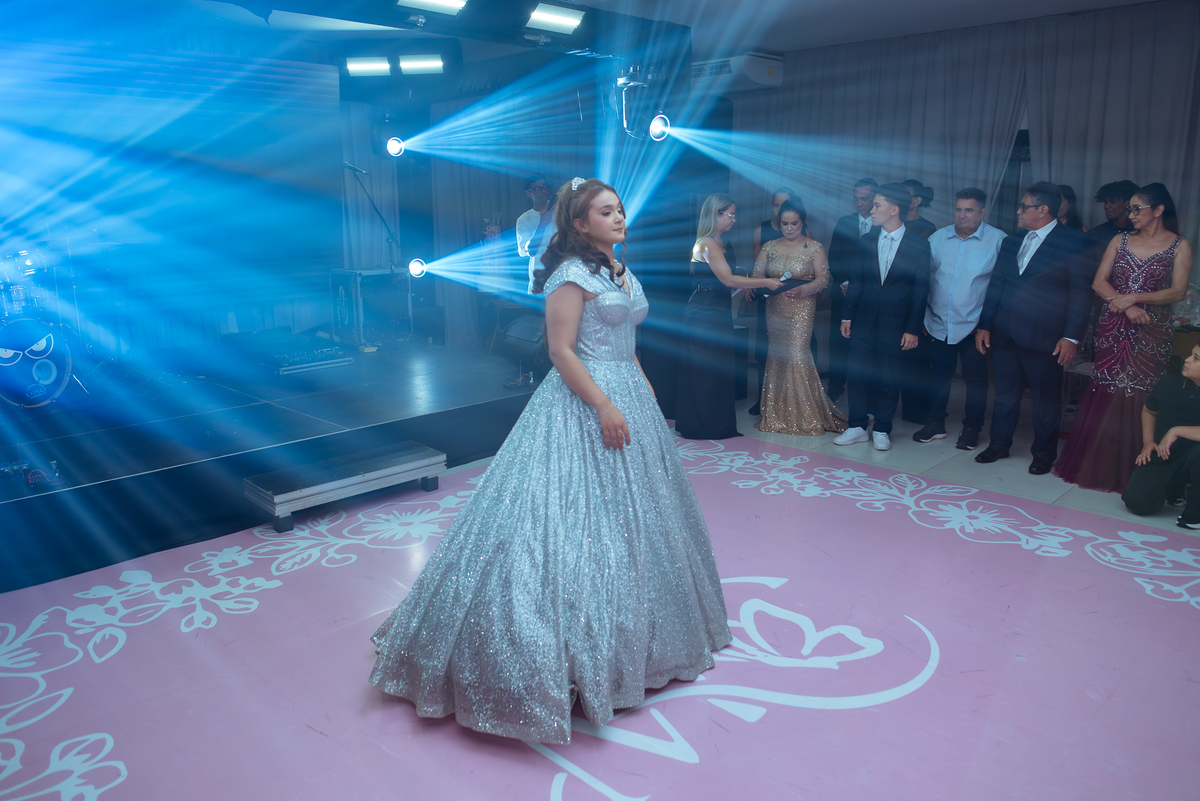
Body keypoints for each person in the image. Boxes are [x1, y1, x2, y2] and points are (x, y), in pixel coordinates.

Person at [369, 178, 733, 745]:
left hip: (627, 394)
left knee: (639, 523)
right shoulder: (569, 275)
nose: (619, 218)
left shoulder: (619, 269)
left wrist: (640, 387)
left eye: (620, 209)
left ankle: (641, 641)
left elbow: (626, 344)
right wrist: (605, 403)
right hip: (582, 402)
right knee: (559, 523)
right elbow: (562, 351)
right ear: (580, 223)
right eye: (605, 212)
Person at [1055, 183, 1193, 492]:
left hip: (1153, 330)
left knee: (1140, 390)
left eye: (1135, 209)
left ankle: (1136, 472)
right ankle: (1092, 466)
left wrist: (1132, 299)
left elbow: (1178, 290)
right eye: (1129, 208)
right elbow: (1099, 282)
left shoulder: (1178, 245)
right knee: (1106, 386)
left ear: (1157, 210)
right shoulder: (1120, 239)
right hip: (1114, 327)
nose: (1130, 215)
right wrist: (1125, 305)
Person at [974, 182, 1091, 474]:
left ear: (1043, 210)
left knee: (1045, 400)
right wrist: (984, 324)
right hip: (1005, 331)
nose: (1018, 211)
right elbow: (996, 285)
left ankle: (1043, 453)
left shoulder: (1074, 241)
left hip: (1045, 335)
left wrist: (1071, 336)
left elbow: (1080, 294)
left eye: (1024, 206)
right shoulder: (1012, 240)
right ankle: (999, 444)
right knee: (1004, 395)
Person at [834, 182, 932, 451]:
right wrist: (847, 316)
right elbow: (858, 281)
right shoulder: (867, 240)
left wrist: (913, 328)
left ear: (894, 209)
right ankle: (856, 426)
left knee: (889, 377)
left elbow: (920, 290)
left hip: (897, 322)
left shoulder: (919, 245)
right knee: (857, 374)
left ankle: (882, 428)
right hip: (863, 319)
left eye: (877, 205)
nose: (871, 209)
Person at [676, 194, 782, 440]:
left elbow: (727, 282)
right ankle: (703, 427)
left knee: (718, 370)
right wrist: (765, 281)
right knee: (705, 371)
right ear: (715, 214)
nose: (734, 219)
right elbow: (727, 279)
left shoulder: (722, 242)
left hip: (718, 309)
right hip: (704, 312)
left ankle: (716, 425)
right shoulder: (705, 243)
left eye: (734, 214)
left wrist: (744, 285)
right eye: (730, 214)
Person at [914, 188, 1004, 449]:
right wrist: (922, 316)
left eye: (969, 210)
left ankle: (972, 429)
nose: (962, 215)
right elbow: (925, 279)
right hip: (939, 321)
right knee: (939, 376)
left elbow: (1000, 287)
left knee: (976, 380)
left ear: (982, 212)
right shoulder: (938, 238)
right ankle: (935, 424)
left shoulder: (997, 240)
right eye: (958, 209)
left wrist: (987, 324)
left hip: (975, 326)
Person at [751, 199, 847, 436]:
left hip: (802, 307)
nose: (789, 228)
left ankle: (804, 414)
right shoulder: (769, 246)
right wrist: (764, 284)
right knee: (777, 356)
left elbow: (823, 279)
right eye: (785, 224)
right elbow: (756, 274)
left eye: (794, 223)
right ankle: (777, 414)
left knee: (797, 354)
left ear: (802, 222)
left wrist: (804, 290)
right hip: (775, 307)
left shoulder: (814, 247)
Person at [1122, 345, 1200, 529]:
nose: (1187, 360)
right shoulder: (1169, 383)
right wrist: (1148, 442)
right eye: (1190, 354)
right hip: (1164, 454)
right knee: (1137, 503)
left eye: (1196, 358)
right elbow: (1150, 411)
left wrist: (1176, 430)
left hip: (1194, 457)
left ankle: (1195, 513)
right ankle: (1174, 488)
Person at [825, 178, 878, 403]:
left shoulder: (882, 224)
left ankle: (868, 392)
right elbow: (833, 255)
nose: (859, 203)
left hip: (871, 295)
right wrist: (844, 283)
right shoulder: (844, 221)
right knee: (838, 342)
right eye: (856, 199)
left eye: (864, 199)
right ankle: (835, 387)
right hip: (843, 291)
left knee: (868, 344)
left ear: (875, 199)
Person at [749, 186, 796, 415]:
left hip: (794, 300)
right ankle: (763, 400)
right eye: (777, 205)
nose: (780, 210)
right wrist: (753, 284)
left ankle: (792, 401)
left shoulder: (803, 230)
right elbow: (757, 265)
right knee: (764, 349)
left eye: (785, 205)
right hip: (768, 297)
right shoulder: (761, 230)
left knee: (793, 350)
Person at [515, 176, 556, 293]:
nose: (543, 191)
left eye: (545, 187)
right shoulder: (524, 220)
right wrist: (543, 223)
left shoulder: (562, 213)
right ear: (529, 193)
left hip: (565, 278)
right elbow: (529, 251)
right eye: (538, 189)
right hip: (540, 281)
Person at [1086, 180, 1139, 259]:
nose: (1106, 206)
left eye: (1112, 201)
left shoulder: (1140, 231)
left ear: (1127, 203)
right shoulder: (1095, 234)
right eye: (1105, 202)